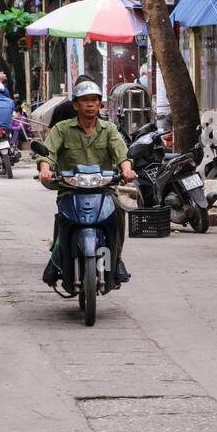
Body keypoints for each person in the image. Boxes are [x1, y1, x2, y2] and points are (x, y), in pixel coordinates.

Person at [38, 79, 137, 286]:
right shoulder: (62, 129)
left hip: (103, 189)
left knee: (117, 212)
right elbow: (48, 154)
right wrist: (45, 169)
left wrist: (127, 169)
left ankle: (117, 259)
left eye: (94, 100)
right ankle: (56, 260)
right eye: (85, 100)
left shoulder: (109, 129)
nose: (90, 104)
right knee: (64, 218)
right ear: (75, 105)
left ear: (100, 104)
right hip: (70, 189)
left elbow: (122, 154)